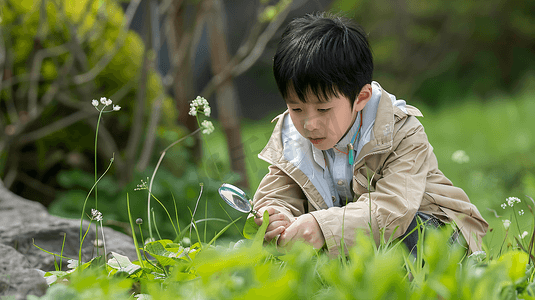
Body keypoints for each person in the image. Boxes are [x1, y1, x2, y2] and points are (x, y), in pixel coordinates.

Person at [251, 12, 488, 256]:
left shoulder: (402, 132)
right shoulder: (290, 136)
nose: (309, 124)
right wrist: (276, 215)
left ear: (361, 98)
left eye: (323, 109)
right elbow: (277, 192)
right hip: (355, 242)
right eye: (296, 108)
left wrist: (322, 227)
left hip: (433, 232)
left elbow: (394, 209)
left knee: (409, 232)